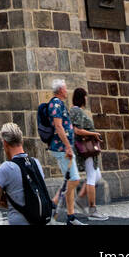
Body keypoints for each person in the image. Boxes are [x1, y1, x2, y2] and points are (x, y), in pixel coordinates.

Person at [0, 121, 50, 226]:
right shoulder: (36, 163)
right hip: (40, 219)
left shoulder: (6, 168)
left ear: (5, 143)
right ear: (21, 141)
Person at [46, 78, 84, 226]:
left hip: (63, 148)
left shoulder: (59, 104)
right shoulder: (56, 103)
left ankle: (71, 216)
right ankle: (54, 202)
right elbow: (58, 126)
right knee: (74, 180)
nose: (67, 91)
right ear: (61, 90)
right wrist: (68, 146)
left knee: (71, 180)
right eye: (66, 88)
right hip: (62, 148)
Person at [71, 87, 107, 220]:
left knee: (96, 176)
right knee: (92, 177)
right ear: (81, 97)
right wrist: (94, 134)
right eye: (85, 96)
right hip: (87, 150)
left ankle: (80, 200)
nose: (86, 99)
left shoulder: (76, 111)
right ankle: (93, 210)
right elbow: (77, 130)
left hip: (88, 150)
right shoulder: (77, 111)